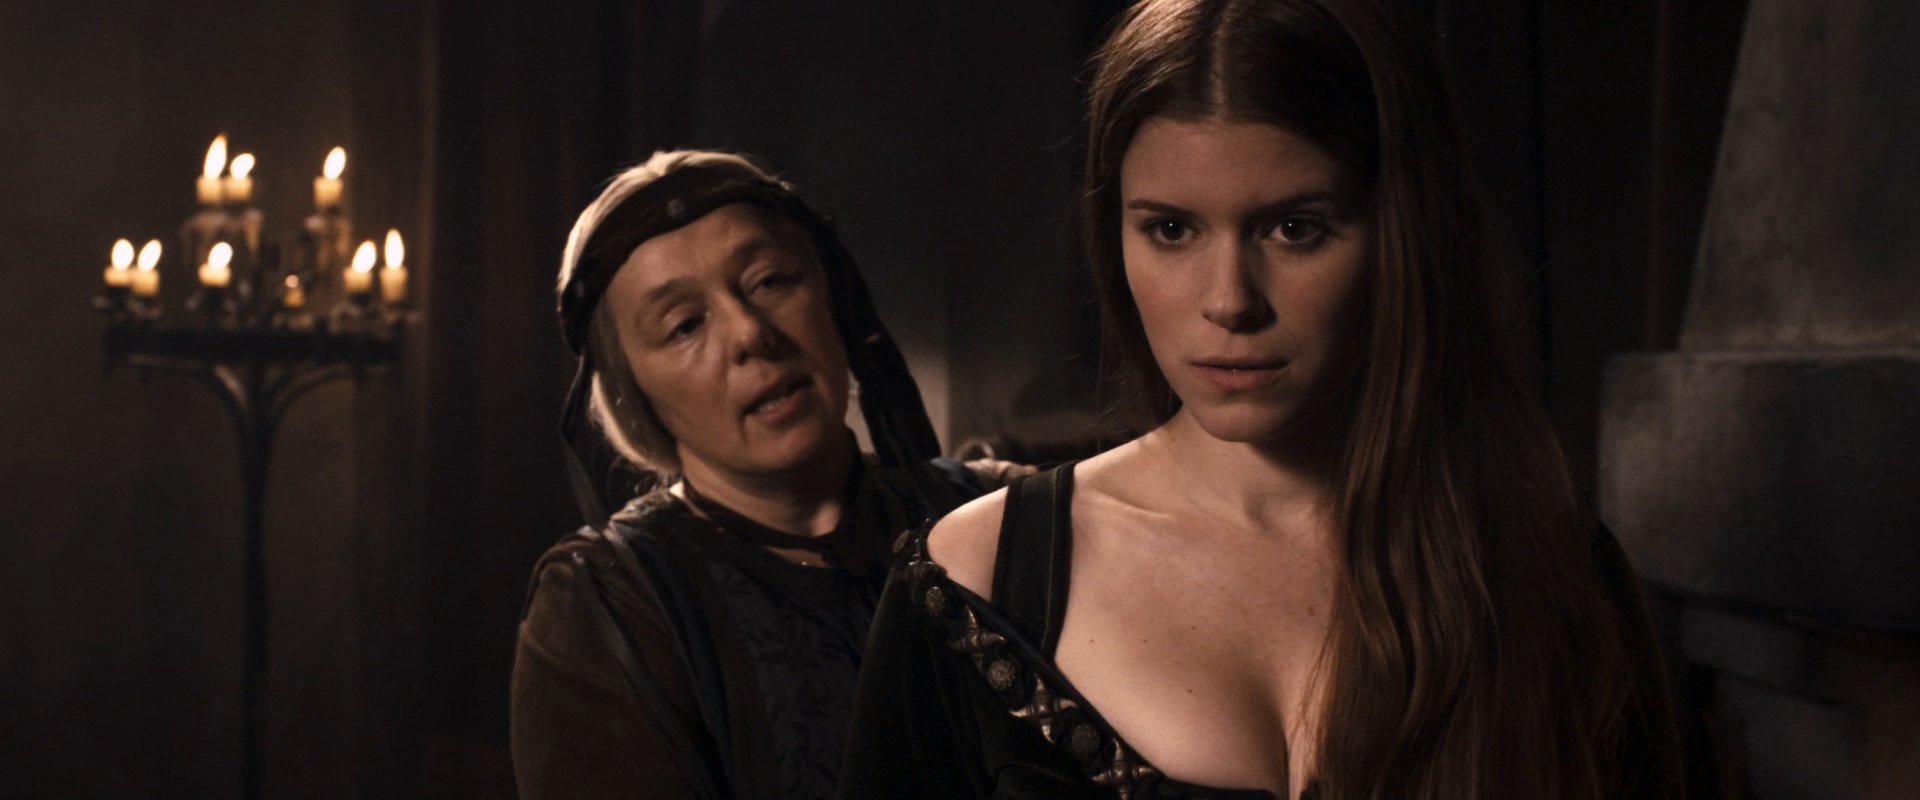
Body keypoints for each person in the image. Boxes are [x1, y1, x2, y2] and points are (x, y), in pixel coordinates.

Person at [837, 2, 1684, 799]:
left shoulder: (1553, 569)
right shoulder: (977, 584)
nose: (1230, 301)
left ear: (1405, 234)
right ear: (1113, 231)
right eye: (1172, 229)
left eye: (1295, 228)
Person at [511, 150, 1027, 800]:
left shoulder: (1004, 511)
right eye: (684, 325)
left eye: (771, 281)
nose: (750, 333)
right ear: (632, 395)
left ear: (835, 297)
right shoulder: (608, 603)